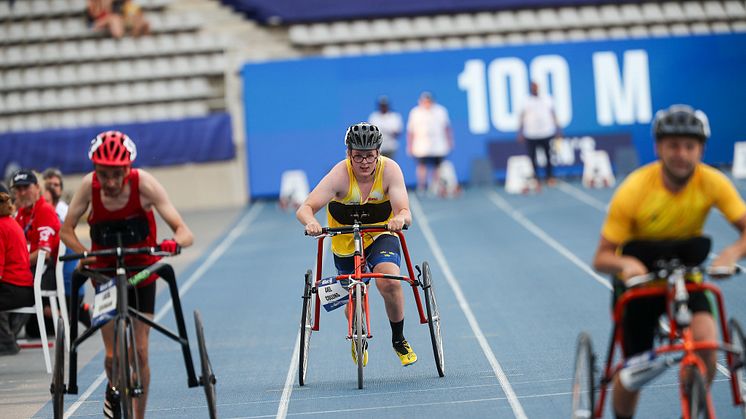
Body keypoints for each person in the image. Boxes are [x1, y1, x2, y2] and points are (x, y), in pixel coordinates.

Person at [591, 104, 746, 419]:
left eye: (690, 146)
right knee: (633, 373)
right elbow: (601, 257)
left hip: (686, 280)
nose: (681, 154)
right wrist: (625, 265)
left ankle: (691, 404)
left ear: (701, 149)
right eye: (673, 145)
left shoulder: (712, 182)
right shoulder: (634, 189)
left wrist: (732, 253)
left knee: (706, 345)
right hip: (639, 286)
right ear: (658, 147)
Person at [61, 130, 193, 419]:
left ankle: (139, 416)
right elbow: (66, 230)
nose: (109, 182)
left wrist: (173, 243)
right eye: (103, 174)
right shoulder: (88, 187)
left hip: (141, 273)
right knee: (113, 357)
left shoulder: (145, 184)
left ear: (128, 169)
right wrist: (86, 253)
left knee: (141, 352)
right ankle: (113, 385)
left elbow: (185, 233)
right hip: (105, 272)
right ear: (95, 169)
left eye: (117, 174)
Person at [296, 122, 417, 367]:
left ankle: (399, 339)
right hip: (345, 242)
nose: (364, 162)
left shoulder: (390, 171)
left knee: (389, 280)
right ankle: (356, 332)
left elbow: (405, 211)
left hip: (380, 234)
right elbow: (305, 208)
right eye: (358, 156)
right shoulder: (339, 176)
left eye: (369, 156)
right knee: (353, 298)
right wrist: (311, 223)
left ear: (378, 154)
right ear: (348, 153)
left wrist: (399, 219)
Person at [11, 169, 61, 338]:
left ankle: (7, 336)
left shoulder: (44, 210)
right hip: (31, 268)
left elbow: (43, 254)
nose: (22, 192)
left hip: (47, 271)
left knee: (11, 283)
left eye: (26, 187)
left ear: (37, 188)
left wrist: (16, 265)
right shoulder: (19, 214)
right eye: (18, 189)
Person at [43, 168, 91, 329]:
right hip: (54, 271)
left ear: (61, 189)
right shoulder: (39, 211)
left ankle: (73, 311)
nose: (52, 188)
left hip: (63, 274)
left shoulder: (63, 212)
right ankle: (72, 311)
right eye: (48, 184)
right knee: (34, 327)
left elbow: (64, 235)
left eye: (55, 185)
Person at [0, 185, 35, 356]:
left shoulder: (1, 227)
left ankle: (6, 341)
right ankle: (7, 339)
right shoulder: (10, 223)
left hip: (16, 290)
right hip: (23, 287)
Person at [406, 91, 454, 193]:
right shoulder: (415, 112)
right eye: (425, 101)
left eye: (429, 101)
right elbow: (410, 131)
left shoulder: (440, 111)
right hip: (421, 145)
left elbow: (447, 128)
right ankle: (422, 186)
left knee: (437, 166)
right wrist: (409, 145)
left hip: (438, 144)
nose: (427, 103)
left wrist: (450, 141)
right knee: (422, 166)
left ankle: (434, 186)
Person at [517, 81, 561, 188]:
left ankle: (550, 177)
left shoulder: (547, 98)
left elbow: (553, 114)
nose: (534, 88)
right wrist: (520, 131)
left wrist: (558, 129)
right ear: (530, 88)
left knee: (549, 156)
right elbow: (521, 116)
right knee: (533, 158)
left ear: (539, 87)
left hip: (546, 132)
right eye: (533, 87)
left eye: (536, 86)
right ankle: (535, 179)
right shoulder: (526, 100)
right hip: (531, 133)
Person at [368, 96, 403, 161]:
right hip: (378, 147)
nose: (383, 107)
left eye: (384, 105)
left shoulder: (394, 117)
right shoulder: (374, 117)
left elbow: (398, 132)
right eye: (382, 105)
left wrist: (388, 130)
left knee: (390, 165)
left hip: (391, 146)